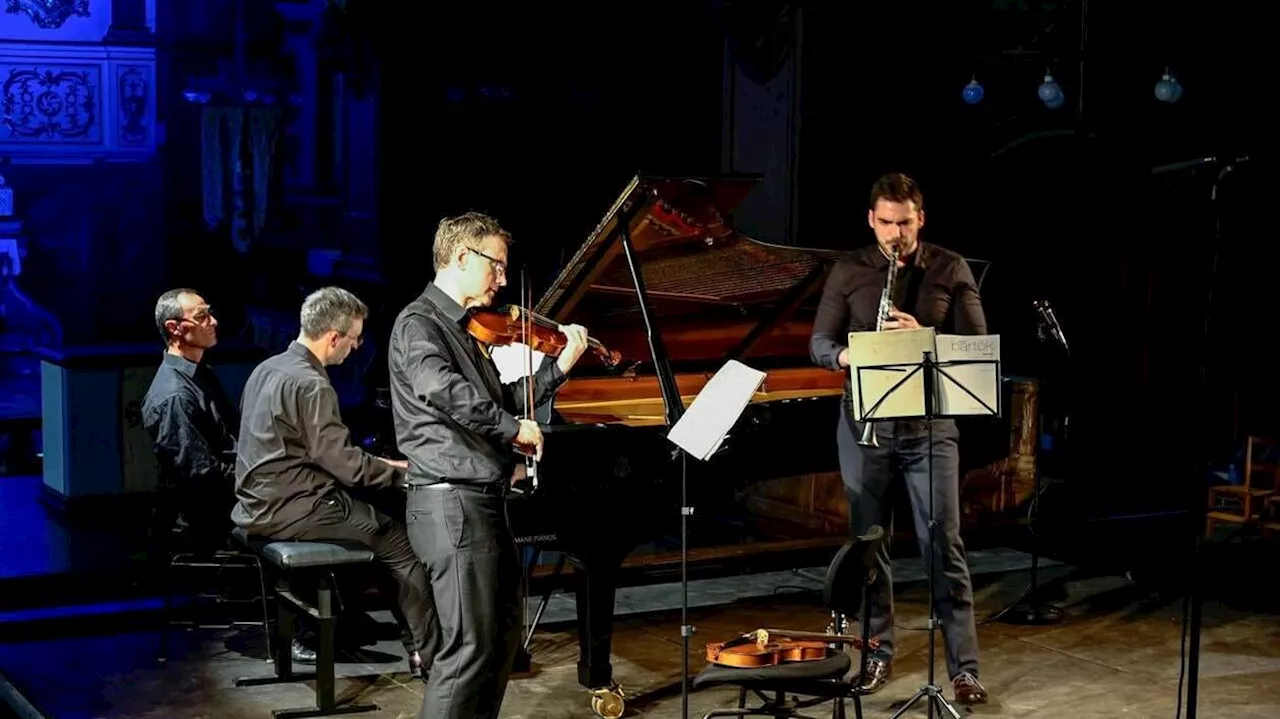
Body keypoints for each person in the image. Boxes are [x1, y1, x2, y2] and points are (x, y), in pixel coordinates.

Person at [387, 212, 590, 719]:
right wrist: (511, 430)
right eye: (496, 267)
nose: (503, 279)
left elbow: (502, 399)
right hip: (450, 504)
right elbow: (442, 389)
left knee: (501, 646)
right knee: (466, 653)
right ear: (461, 258)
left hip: (479, 502)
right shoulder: (419, 324)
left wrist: (556, 370)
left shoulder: (465, 331)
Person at [809, 173, 990, 706]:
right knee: (870, 547)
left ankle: (965, 668)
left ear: (921, 219)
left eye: (904, 224)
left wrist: (921, 337)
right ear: (871, 220)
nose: (895, 234)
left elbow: (977, 345)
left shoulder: (949, 267)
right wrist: (851, 354)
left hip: (929, 428)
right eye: (885, 223)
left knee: (944, 544)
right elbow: (820, 343)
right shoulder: (849, 270)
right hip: (865, 423)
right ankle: (877, 655)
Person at [232, 286, 435, 676]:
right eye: (355, 339)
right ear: (334, 338)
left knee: (374, 522)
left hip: (257, 502)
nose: (356, 348)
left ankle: (389, 634)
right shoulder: (313, 383)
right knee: (400, 545)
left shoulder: (266, 369)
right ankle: (428, 656)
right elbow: (347, 466)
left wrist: (378, 464)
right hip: (292, 508)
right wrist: (403, 473)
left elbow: (303, 450)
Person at [141, 289, 239, 550]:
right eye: (202, 316)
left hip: (228, 499)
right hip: (208, 523)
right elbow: (200, 473)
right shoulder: (175, 395)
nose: (213, 321)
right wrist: (260, 478)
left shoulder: (202, 374)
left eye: (210, 312)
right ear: (174, 328)